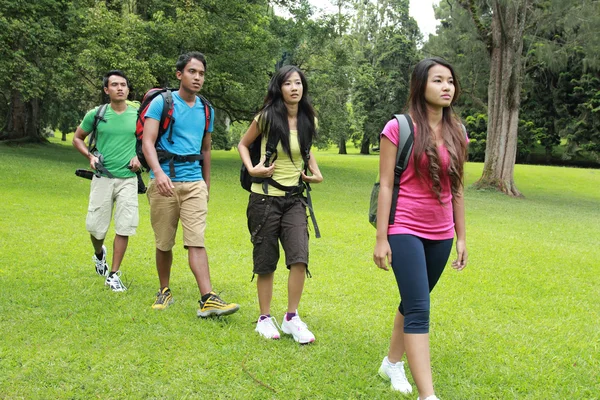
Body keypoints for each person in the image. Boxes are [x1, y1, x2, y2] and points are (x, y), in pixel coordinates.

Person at [373, 57, 468, 400]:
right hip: (404, 227)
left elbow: (456, 187)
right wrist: (382, 237)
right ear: (420, 85)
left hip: (441, 232)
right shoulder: (398, 127)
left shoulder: (459, 132)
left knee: (414, 300)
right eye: (438, 80)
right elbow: (385, 184)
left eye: (450, 81)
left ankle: (392, 363)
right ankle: (428, 396)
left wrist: (461, 236)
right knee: (419, 308)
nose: (446, 87)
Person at [142, 51, 239, 317]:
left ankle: (208, 298)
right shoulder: (162, 103)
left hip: (194, 182)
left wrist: (206, 184)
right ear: (179, 74)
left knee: (196, 240)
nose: (197, 78)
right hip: (164, 182)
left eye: (202, 73)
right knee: (164, 242)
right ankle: (164, 289)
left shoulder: (207, 109)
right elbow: (147, 142)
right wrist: (159, 173)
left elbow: (206, 150)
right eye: (192, 72)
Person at [238, 65, 323, 344]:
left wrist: (315, 171)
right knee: (265, 260)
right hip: (264, 197)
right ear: (279, 88)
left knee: (299, 257)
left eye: (298, 83)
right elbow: (242, 144)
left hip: (295, 199)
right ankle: (264, 318)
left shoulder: (310, 118)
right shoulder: (266, 117)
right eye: (288, 84)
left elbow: (305, 150)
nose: (294, 88)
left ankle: (291, 317)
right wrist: (252, 168)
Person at [72, 70, 140, 292]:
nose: (120, 88)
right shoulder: (97, 114)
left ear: (128, 89)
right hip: (102, 177)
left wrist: (140, 157)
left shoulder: (138, 113)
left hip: (128, 179)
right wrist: (90, 156)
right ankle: (100, 254)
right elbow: (77, 137)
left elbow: (151, 139)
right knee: (95, 228)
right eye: (114, 85)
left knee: (124, 226)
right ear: (106, 90)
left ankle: (113, 275)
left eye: (123, 84)